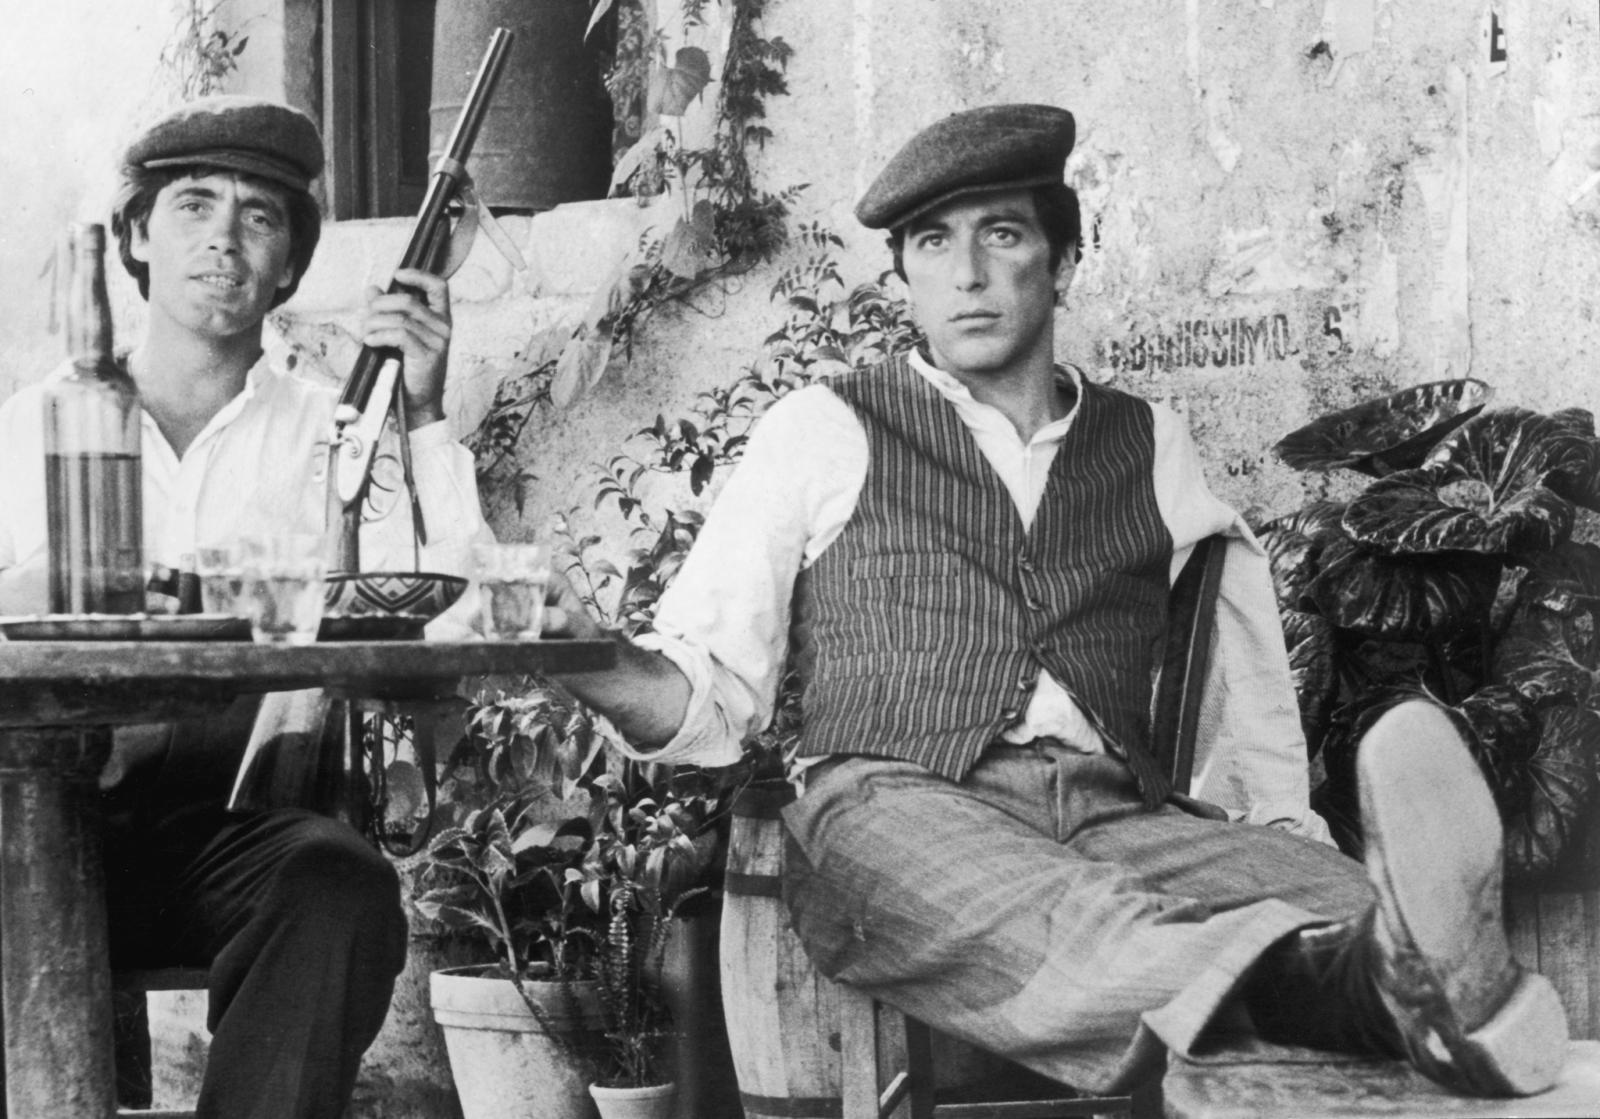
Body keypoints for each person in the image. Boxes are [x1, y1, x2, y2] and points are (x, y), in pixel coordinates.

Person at [543, 103, 1571, 1098]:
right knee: (1086, 918)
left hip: (1116, 809)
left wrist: (1275, 830)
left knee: (1343, 899)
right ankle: (1376, 992)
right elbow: (709, 689)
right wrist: (578, 653)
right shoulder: (824, 428)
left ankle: (1420, 996)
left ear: (1064, 261)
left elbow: (1237, 655)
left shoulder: (1148, 443)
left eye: (1001, 234)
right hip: (895, 810)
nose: (968, 273)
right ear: (904, 275)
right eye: (933, 243)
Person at [0, 96, 489, 1119]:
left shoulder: (332, 435)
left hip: (217, 835)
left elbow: (450, 621)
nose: (223, 238)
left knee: (336, 884)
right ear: (137, 237)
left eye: (259, 214)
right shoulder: (26, 430)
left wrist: (421, 411)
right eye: (192, 205)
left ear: (289, 262)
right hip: (21, 832)